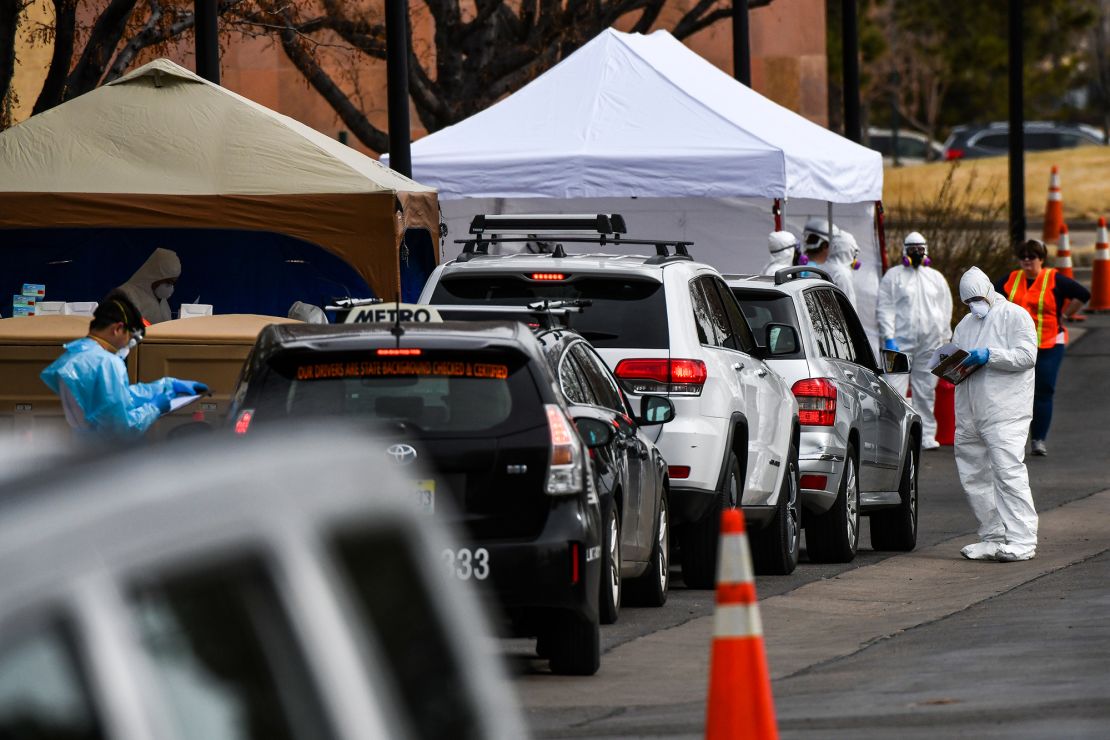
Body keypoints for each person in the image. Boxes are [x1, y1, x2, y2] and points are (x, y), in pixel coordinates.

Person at [952, 267, 1038, 562]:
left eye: (976, 297)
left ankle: (1023, 539)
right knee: (974, 475)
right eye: (968, 301)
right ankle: (992, 536)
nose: (974, 304)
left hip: (1006, 410)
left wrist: (991, 355)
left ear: (988, 290)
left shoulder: (1015, 315)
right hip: (970, 410)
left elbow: (1028, 355)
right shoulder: (965, 324)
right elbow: (959, 360)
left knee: (1007, 472)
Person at [40, 291, 208, 438]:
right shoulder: (107, 362)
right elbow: (121, 429)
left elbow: (116, 398)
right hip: (104, 456)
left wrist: (165, 385)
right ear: (117, 329)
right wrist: (154, 408)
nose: (129, 344)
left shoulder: (75, 355)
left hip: (83, 449)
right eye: (131, 337)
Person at [994, 239, 1090, 457]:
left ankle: (1038, 439)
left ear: (1041, 259)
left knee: (1044, 390)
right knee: (1013, 392)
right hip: (1016, 345)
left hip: (1048, 343)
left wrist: (1064, 315)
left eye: (1032, 257)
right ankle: (1012, 440)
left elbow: (1083, 294)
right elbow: (990, 297)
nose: (1027, 261)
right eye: (1023, 257)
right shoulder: (1011, 279)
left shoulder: (1053, 278)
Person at [877, 232, 953, 450]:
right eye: (913, 249)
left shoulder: (936, 278)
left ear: (926, 250)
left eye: (920, 249)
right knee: (894, 391)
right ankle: (896, 436)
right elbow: (885, 308)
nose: (917, 253)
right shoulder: (894, 276)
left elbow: (945, 309)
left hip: (930, 343)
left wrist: (945, 338)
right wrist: (889, 337)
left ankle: (926, 435)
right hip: (899, 343)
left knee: (926, 390)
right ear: (905, 251)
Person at [116, 247, 181, 325]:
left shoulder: (162, 301)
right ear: (154, 275)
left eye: (173, 283)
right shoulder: (126, 294)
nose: (170, 287)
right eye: (168, 282)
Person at [825, 230, 861, 306]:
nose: (855, 259)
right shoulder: (843, 275)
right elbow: (849, 306)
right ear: (848, 252)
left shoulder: (823, 266)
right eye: (854, 255)